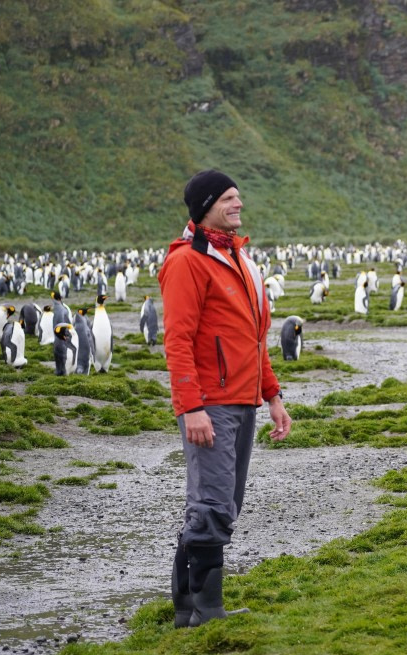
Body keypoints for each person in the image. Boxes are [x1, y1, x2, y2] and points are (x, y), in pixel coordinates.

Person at [158, 169, 292, 627]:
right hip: (209, 402)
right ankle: (208, 609)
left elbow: (253, 338)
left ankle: (187, 609)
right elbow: (177, 341)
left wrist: (272, 394)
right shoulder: (188, 262)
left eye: (238, 196)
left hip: (241, 399)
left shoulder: (238, 258)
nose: (239, 203)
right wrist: (191, 407)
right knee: (212, 504)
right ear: (206, 207)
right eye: (228, 198)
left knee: (222, 503)